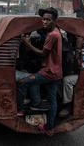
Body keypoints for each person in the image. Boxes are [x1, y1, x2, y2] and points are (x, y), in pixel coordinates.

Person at [17, 7, 62, 135]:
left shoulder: (52, 36)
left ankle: (20, 110)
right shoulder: (57, 32)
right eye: (43, 19)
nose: (45, 22)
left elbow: (42, 53)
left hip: (48, 72)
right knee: (52, 100)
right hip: (56, 73)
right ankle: (50, 128)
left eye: (48, 20)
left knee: (23, 82)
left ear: (54, 21)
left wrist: (26, 43)